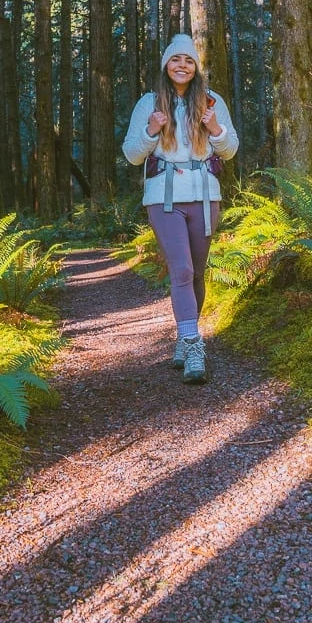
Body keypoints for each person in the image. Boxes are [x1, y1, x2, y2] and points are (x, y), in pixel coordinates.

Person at [122, 34, 239, 384]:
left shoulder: (211, 102)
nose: (182, 66)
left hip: (205, 196)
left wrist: (213, 127)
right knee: (182, 270)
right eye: (176, 60)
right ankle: (192, 345)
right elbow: (132, 154)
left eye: (188, 61)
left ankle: (184, 334)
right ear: (166, 66)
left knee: (198, 272)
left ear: (195, 68)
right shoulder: (148, 104)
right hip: (164, 197)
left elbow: (230, 149)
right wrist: (152, 130)